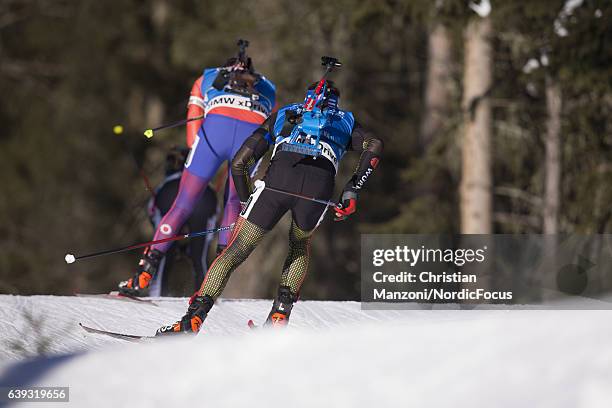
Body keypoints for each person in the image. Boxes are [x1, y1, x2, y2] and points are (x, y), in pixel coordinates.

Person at [156, 57, 383, 335]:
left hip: (277, 181)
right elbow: (375, 144)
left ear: (307, 98)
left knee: (235, 251)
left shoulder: (285, 113)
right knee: (299, 246)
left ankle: (192, 320)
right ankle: (278, 317)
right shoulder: (346, 120)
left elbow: (240, 163)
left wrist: (245, 201)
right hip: (318, 188)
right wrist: (352, 190)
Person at [118, 40, 276, 296]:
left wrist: (203, 156)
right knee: (233, 204)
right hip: (250, 138)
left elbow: (192, 137)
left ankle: (145, 273)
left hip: (214, 134)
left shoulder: (207, 77)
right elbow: (270, 129)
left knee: (182, 204)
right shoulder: (268, 86)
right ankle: (216, 283)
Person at [146, 147, 219, 296]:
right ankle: (206, 298)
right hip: (205, 197)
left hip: (168, 195)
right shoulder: (208, 186)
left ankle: (156, 293)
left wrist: (172, 243)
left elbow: (153, 213)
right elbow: (214, 218)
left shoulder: (164, 185)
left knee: (163, 253)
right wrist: (195, 246)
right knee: (200, 258)